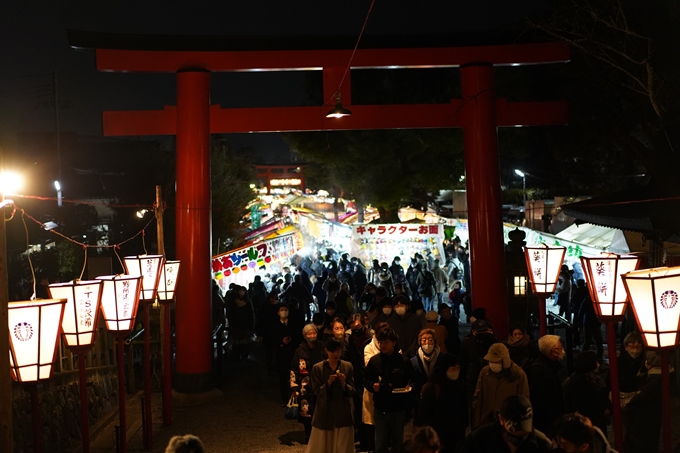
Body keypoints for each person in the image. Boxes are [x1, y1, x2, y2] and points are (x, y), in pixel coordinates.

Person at [364, 326, 414, 453]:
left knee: (398, 444)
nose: (383, 345)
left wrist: (409, 388)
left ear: (394, 343)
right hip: (380, 408)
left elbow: (413, 380)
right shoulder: (375, 361)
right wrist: (372, 386)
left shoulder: (403, 361)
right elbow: (366, 380)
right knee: (380, 444)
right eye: (380, 342)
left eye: (386, 342)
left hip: (398, 408)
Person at [306, 337, 356, 453]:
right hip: (324, 412)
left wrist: (344, 384)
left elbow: (352, 390)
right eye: (332, 351)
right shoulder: (318, 368)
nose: (336, 354)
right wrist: (328, 383)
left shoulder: (347, 366)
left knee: (343, 445)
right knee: (322, 445)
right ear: (326, 351)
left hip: (343, 411)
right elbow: (316, 391)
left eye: (338, 351)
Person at [459, 395, 552, 453]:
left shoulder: (542, 445)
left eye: (524, 428)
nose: (519, 432)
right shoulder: (478, 441)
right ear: (501, 419)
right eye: (514, 427)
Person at [471, 343, 530, 429]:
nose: (492, 364)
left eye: (496, 361)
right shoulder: (485, 372)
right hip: (487, 422)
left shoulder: (518, 375)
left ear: (504, 360)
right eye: (491, 361)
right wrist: (476, 424)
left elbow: (523, 401)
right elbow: (478, 398)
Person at [416, 353, 467, 453]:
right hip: (438, 436)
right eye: (453, 368)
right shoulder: (433, 387)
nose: (456, 371)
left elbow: (464, 408)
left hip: (457, 436)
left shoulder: (460, 384)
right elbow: (423, 415)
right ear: (445, 369)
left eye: (458, 368)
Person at [622, 351, 665, 453]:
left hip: (644, 423)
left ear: (648, 363)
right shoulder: (658, 377)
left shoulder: (653, 382)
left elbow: (638, 399)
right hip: (650, 420)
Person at [291, 323, 327, 443]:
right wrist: (294, 388)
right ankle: (308, 434)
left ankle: (321, 434)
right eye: (309, 333)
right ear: (304, 335)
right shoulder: (299, 351)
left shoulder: (322, 347)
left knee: (321, 410)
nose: (312, 335)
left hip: (321, 383)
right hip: (305, 385)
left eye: (314, 332)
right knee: (306, 410)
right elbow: (294, 370)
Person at [563, 350, 611, 435]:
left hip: (596, 420)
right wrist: (602, 409)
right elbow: (584, 403)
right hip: (587, 423)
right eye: (596, 362)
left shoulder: (594, 378)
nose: (598, 365)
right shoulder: (578, 381)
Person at [529, 334, 566, 437]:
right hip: (547, 424)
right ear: (552, 351)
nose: (562, 350)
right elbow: (540, 401)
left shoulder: (548, 367)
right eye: (559, 348)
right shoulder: (540, 371)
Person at [345, 313, 373, 451]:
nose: (356, 330)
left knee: (372, 413)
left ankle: (374, 442)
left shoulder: (371, 339)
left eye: (358, 327)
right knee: (359, 414)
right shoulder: (348, 341)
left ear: (364, 325)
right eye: (353, 328)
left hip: (371, 380)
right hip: (356, 381)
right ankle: (364, 443)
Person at [460, 319, 498, 403]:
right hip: (472, 380)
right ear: (474, 332)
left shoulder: (492, 342)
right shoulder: (468, 343)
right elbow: (463, 362)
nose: (484, 333)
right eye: (481, 331)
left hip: (489, 379)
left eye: (485, 330)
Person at [272, 303, 303, 404]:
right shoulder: (275, 325)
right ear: (278, 312)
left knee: (294, 376)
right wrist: (281, 341)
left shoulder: (293, 323)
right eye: (282, 310)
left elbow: (298, 335)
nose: (284, 312)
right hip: (281, 354)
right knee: (282, 377)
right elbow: (271, 338)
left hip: (292, 353)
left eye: (286, 310)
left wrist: (291, 339)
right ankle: (284, 399)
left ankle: (295, 397)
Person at [225, 284, 255, 360]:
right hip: (236, 325)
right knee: (237, 341)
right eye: (240, 290)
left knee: (245, 341)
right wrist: (231, 323)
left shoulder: (248, 302)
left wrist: (251, 325)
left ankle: (245, 354)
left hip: (246, 325)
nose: (242, 292)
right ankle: (237, 354)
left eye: (243, 290)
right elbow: (231, 314)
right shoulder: (234, 302)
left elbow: (251, 314)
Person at [255, 291, 281, 375]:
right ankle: (270, 367)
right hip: (268, 333)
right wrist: (260, 333)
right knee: (269, 352)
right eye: (274, 298)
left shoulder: (279, 307)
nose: (275, 300)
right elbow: (260, 321)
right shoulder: (264, 308)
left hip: (277, 333)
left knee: (276, 351)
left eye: (277, 298)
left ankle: (275, 367)